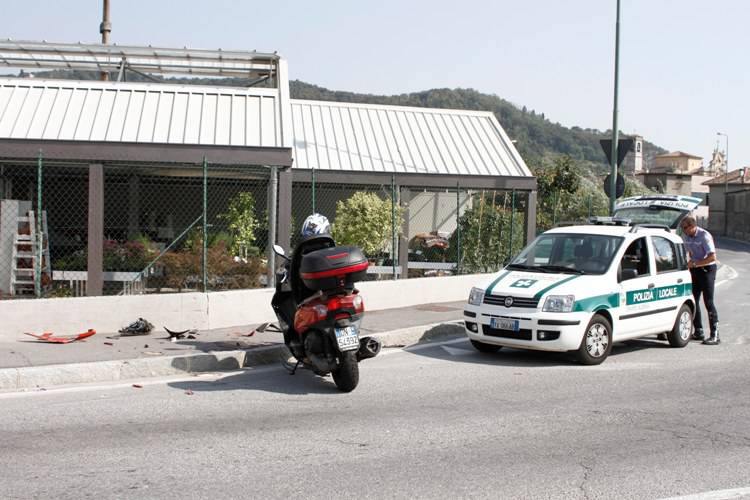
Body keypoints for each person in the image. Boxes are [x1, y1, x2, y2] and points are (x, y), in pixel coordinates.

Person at [680, 215, 719, 345]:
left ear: (692, 226)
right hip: (695, 270)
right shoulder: (686, 236)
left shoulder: (704, 235)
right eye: (682, 228)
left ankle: (715, 335)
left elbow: (712, 257)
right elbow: (690, 251)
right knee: (693, 300)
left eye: (685, 228)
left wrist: (696, 264)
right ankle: (698, 331)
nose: (683, 230)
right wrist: (690, 261)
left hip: (707, 270)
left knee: (708, 301)